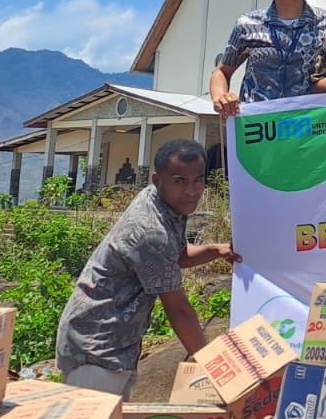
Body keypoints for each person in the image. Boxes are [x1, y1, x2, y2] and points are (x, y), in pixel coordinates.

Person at [55, 138, 240, 397]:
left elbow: (175, 256)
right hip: (97, 349)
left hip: (119, 346)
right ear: (157, 179)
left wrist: (214, 250)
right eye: (179, 181)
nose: (191, 191)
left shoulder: (162, 203)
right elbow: (179, 310)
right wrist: (217, 370)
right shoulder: (150, 231)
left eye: (197, 180)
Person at [211, 0, 326, 115]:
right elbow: (222, 72)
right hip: (259, 130)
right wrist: (220, 96)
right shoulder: (247, 25)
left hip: (311, 129)